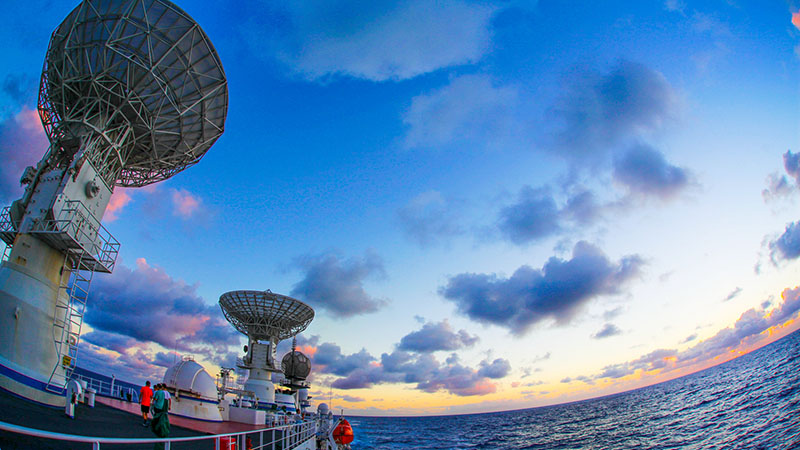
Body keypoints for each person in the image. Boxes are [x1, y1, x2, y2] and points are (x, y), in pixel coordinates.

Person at [150, 384, 170, 450]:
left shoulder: (158, 392)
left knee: (157, 416)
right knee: (161, 416)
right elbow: (168, 399)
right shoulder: (164, 393)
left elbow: (156, 399)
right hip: (162, 407)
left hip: (158, 406)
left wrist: (152, 401)